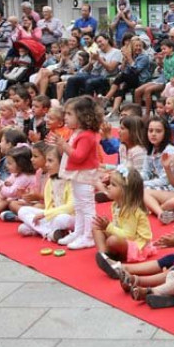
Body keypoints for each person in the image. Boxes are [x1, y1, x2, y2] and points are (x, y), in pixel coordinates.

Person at [45, 96, 101, 249]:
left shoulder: (86, 135)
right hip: (78, 174)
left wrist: (64, 144)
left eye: (69, 114)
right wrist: (60, 145)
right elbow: (70, 154)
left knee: (87, 206)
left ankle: (89, 236)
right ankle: (79, 231)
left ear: (83, 116)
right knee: (79, 206)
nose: (65, 118)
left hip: (84, 175)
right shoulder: (77, 133)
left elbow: (78, 156)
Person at [92, 168, 155, 277]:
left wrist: (109, 227)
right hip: (123, 239)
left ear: (126, 191)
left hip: (136, 245)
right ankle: (105, 255)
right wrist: (106, 227)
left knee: (112, 241)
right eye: (110, 183)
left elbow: (129, 236)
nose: (108, 186)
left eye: (113, 185)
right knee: (96, 227)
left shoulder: (132, 210)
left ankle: (111, 259)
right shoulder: (116, 205)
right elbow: (118, 227)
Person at [16, 146, 73, 241]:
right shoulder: (50, 181)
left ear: (62, 162)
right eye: (46, 161)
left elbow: (71, 207)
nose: (46, 164)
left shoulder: (72, 180)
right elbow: (48, 206)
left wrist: (46, 214)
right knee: (22, 212)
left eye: (50, 161)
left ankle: (43, 230)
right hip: (51, 217)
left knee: (61, 219)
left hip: (69, 217)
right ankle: (48, 232)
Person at [65, 34, 123, 99]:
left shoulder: (116, 52)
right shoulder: (98, 52)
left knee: (90, 82)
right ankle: (70, 103)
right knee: (72, 79)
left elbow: (111, 68)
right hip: (94, 75)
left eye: (100, 41)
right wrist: (90, 63)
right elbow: (88, 70)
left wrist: (99, 59)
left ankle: (88, 105)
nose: (99, 44)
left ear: (107, 40)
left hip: (106, 77)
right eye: (97, 43)